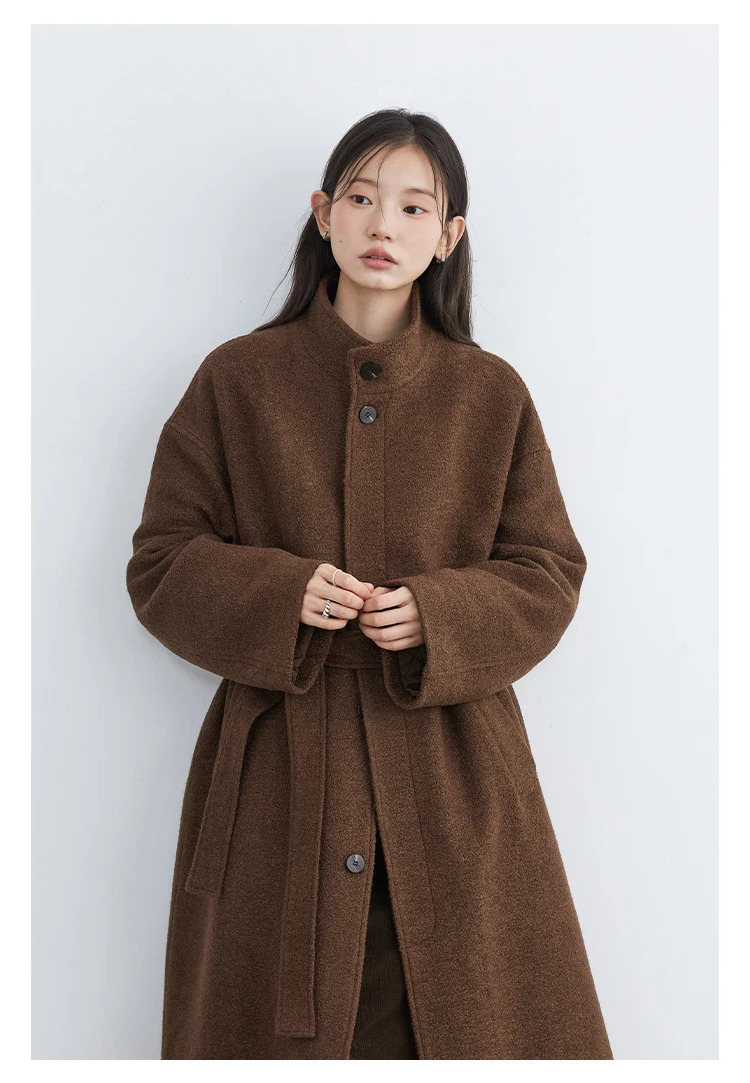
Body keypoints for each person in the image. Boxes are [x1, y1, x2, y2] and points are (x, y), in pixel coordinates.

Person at [126, 107, 613, 1060]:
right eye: (360, 198)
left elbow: (548, 569)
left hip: (454, 779)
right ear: (323, 214)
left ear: (449, 236)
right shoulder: (237, 380)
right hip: (280, 788)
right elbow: (161, 560)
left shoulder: (490, 394)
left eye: (414, 207)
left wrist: (440, 613)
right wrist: (280, 595)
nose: (383, 225)